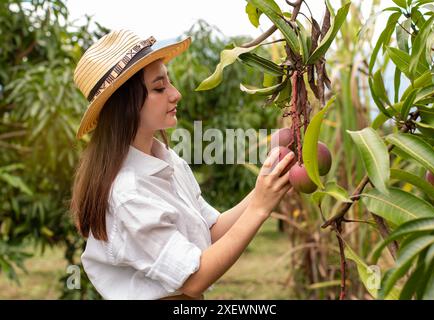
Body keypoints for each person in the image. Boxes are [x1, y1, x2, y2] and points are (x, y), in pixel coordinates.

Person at [70, 29, 294, 300]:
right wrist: (260, 208)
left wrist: (266, 187)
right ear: (125, 104)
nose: (175, 94)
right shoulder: (128, 194)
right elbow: (193, 278)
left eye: (169, 83)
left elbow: (210, 230)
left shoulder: (167, 160)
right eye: (159, 87)